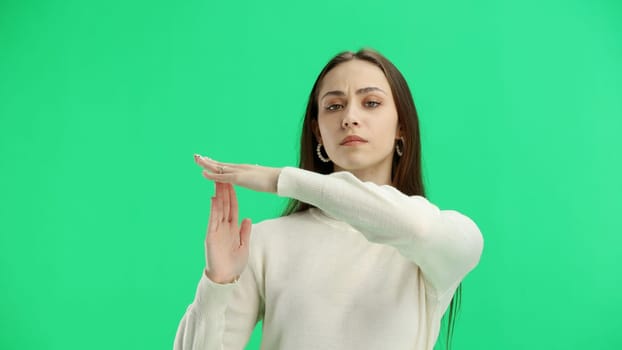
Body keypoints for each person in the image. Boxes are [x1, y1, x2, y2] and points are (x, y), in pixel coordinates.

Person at [173, 49, 484, 350]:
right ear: (317, 131)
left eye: (371, 103)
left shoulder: (441, 239)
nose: (350, 117)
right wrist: (219, 282)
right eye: (334, 106)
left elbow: (417, 227)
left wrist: (283, 179)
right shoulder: (267, 241)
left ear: (401, 125)